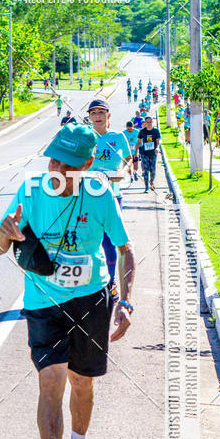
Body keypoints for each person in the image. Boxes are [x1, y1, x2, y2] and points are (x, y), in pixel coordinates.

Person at [0, 125, 136, 439]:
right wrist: (5, 235)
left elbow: (124, 250)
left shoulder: (100, 194)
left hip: (91, 300)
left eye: (67, 164)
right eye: (53, 158)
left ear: (87, 164)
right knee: (51, 382)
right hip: (43, 301)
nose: (56, 168)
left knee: (82, 384)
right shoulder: (32, 189)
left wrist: (126, 303)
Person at [87, 98, 131, 295]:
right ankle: (90, 284)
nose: (97, 116)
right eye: (93, 113)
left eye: (101, 112)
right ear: (89, 117)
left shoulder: (118, 137)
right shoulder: (86, 138)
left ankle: (111, 283)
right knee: (87, 240)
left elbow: (128, 159)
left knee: (109, 241)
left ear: (108, 115)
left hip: (112, 195)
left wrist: (123, 171)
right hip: (86, 196)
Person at [135, 115, 161, 191]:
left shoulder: (156, 131)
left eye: (150, 122)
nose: (149, 123)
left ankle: (151, 182)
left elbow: (157, 141)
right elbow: (139, 142)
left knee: (152, 170)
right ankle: (146, 187)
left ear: (152, 122)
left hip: (153, 153)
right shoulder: (142, 131)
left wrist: (157, 148)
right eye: (147, 122)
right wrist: (136, 152)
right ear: (145, 123)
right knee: (146, 170)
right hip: (144, 153)